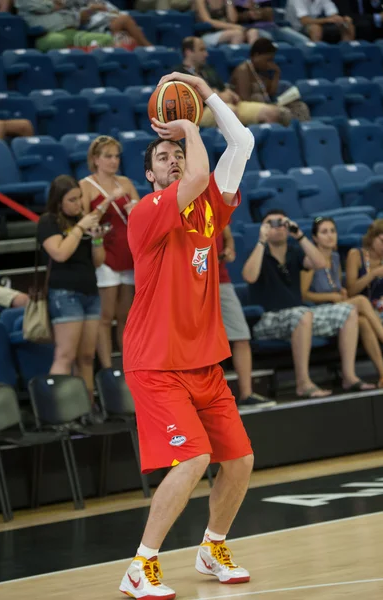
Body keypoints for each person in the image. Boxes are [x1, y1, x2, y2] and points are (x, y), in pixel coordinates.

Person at [119, 71, 255, 598]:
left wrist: (205, 93)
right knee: (195, 457)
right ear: (150, 176)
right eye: (162, 158)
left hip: (201, 362)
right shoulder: (146, 212)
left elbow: (241, 142)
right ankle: (141, 565)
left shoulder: (210, 206)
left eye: (176, 153)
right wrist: (190, 128)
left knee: (239, 459)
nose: (173, 160)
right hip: (155, 363)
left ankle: (211, 546)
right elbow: (196, 175)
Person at [242, 209, 374, 398]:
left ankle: (349, 376)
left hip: (299, 316)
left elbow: (321, 263)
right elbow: (249, 276)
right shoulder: (258, 251)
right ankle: (303, 382)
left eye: (282, 223)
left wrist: (300, 235)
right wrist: (262, 240)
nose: (278, 227)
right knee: (303, 314)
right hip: (267, 320)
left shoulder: (294, 251)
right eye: (271, 223)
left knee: (348, 311)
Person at [301, 217, 383, 388]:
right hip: (318, 311)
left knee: (364, 321)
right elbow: (303, 295)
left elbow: (338, 288)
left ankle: (382, 375)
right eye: (324, 232)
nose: (330, 236)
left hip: (341, 312)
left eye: (333, 231)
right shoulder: (310, 260)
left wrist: (339, 293)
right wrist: (331, 297)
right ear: (314, 238)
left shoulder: (336, 257)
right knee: (361, 300)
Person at [37, 175, 104, 401]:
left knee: (86, 356)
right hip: (65, 294)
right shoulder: (49, 221)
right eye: (72, 200)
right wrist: (79, 229)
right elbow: (60, 253)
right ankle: (59, 410)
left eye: (79, 199)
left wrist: (96, 239)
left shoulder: (82, 219)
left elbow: (98, 261)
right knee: (65, 355)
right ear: (59, 201)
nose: (77, 204)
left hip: (90, 292)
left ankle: (87, 406)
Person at [80, 135, 139, 370]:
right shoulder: (86, 185)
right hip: (104, 254)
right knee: (105, 317)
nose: (113, 161)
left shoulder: (125, 182)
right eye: (108, 156)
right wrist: (106, 202)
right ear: (95, 159)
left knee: (126, 316)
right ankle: (106, 367)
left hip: (128, 253)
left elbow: (143, 215)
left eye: (116, 156)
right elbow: (84, 220)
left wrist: (136, 208)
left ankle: (128, 366)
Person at [217, 226, 276, 407]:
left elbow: (227, 236)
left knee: (241, 336)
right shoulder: (180, 206)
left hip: (221, 281)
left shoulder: (215, 207)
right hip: (190, 283)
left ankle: (246, 393)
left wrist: (229, 249)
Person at [176, 36, 291, 127]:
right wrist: (215, 97)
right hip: (203, 112)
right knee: (230, 111)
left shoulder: (208, 69)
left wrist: (231, 94)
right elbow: (187, 103)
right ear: (188, 52)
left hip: (227, 105)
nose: (206, 54)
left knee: (272, 113)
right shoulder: (179, 74)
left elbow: (223, 88)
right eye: (201, 50)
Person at [231, 38, 310, 126]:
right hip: (255, 110)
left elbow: (271, 92)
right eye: (268, 60)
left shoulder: (261, 71)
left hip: (268, 105)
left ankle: (303, 131)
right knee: (280, 110)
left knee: (301, 107)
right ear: (256, 55)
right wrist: (269, 106)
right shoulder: (243, 70)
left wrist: (276, 74)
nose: (270, 63)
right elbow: (244, 99)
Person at [14, 0, 115, 51]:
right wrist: (57, 4)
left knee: (106, 39)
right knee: (58, 41)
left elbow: (77, 2)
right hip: (44, 35)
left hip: (71, 32)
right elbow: (41, 6)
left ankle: (88, 69)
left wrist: (60, 3)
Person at [346, 219, 383, 324]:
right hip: (360, 308)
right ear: (372, 238)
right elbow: (350, 292)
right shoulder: (355, 255)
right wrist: (373, 274)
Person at [233, 0, 310, 46]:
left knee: (304, 41)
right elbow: (236, 19)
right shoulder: (236, 2)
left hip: (274, 27)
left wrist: (255, 10)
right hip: (253, 29)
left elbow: (270, 15)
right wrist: (248, 15)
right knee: (268, 41)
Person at [194, 0, 260, 46]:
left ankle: (251, 62)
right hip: (208, 34)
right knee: (237, 34)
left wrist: (229, 1)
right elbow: (207, 21)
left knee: (253, 32)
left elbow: (233, 19)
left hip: (228, 30)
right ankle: (237, 63)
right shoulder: (200, 1)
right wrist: (233, 27)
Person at [285, 0, 355, 43]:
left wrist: (341, 19)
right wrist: (326, 20)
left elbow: (333, 13)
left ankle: (347, 52)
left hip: (312, 24)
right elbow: (304, 21)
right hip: (294, 28)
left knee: (347, 24)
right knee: (315, 28)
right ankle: (315, 56)